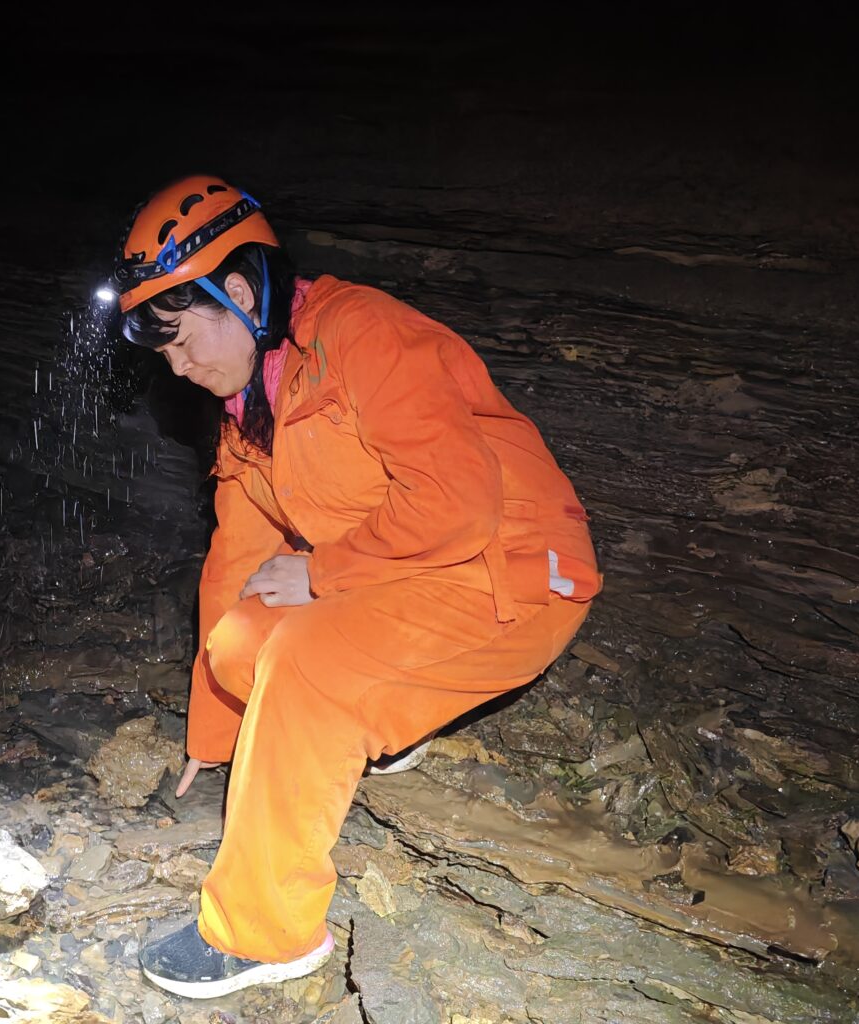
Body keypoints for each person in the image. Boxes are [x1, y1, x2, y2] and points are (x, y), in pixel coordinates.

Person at [108, 175, 600, 998]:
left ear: (237, 290)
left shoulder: (360, 334)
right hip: (412, 575)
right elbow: (237, 557)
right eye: (163, 354)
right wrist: (213, 732)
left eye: (184, 339)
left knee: (305, 658)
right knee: (242, 645)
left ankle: (265, 935)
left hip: (516, 570)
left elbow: (456, 502)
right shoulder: (249, 405)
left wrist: (323, 573)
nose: (180, 367)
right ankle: (388, 719)